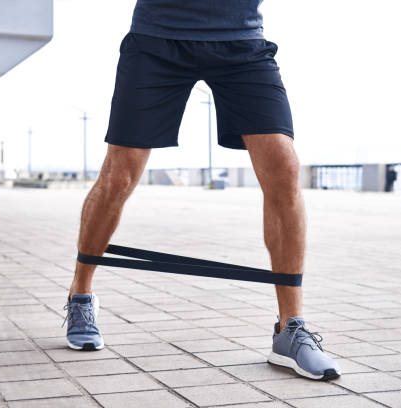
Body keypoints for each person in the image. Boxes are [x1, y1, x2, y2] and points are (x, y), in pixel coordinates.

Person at [62, 0, 341, 381]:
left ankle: (290, 329)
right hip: (157, 39)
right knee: (119, 176)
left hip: (241, 42)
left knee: (285, 168)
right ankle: (81, 294)